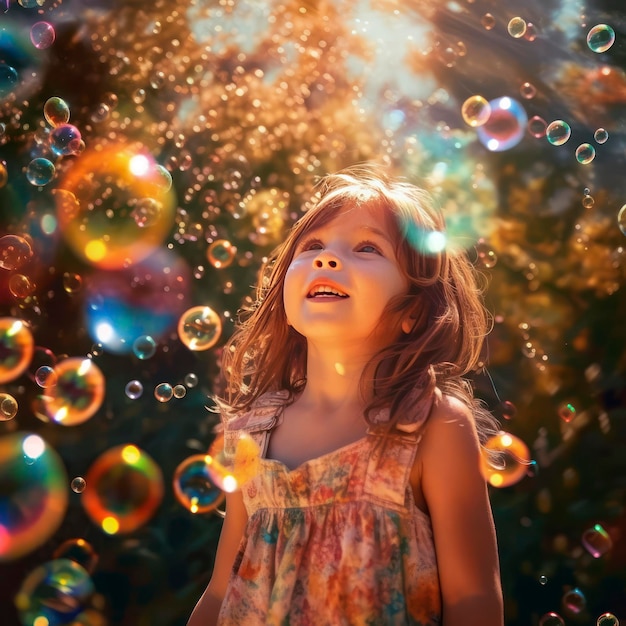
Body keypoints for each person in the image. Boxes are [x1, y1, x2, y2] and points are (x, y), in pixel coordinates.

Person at [187, 163, 504, 626]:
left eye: (367, 248)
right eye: (313, 245)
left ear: (413, 311)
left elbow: (472, 599)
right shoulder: (249, 434)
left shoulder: (429, 426)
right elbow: (220, 593)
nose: (327, 259)